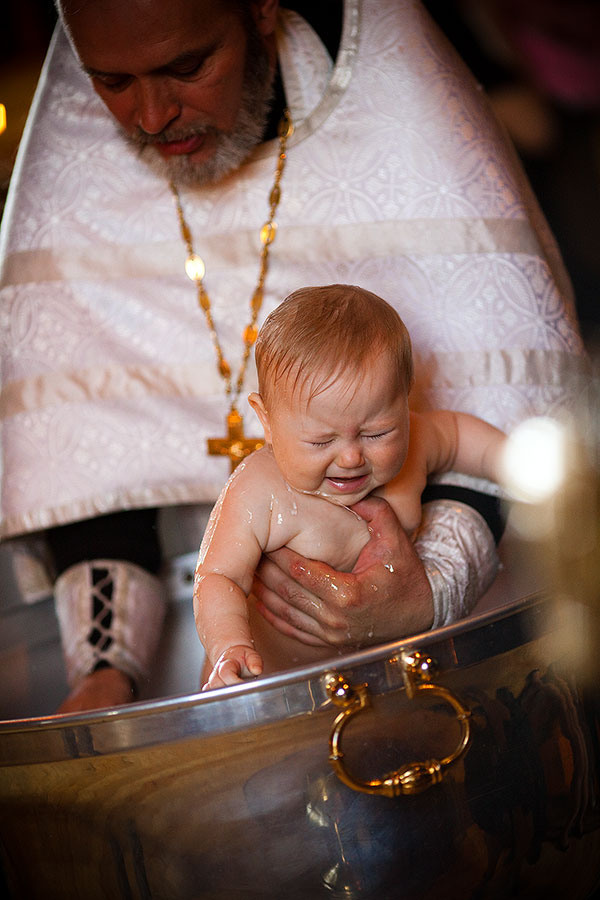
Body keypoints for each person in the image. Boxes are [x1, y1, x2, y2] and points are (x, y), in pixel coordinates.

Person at [0, 0, 584, 713]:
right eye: (112, 83)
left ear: (260, 11)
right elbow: (87, 470)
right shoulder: (261, 486)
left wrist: (427, 587)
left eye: (187, 67)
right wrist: (110, 672)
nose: (150, 117)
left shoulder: (401, 136)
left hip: (444, 655)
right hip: (246, 681)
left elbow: (489, 423)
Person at [196, 284, 507, 689]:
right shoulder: (259, 490)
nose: (350, 458)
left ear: (402, 404)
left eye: (377, 433)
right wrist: (228, 647)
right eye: (321, 441)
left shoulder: (413, 448)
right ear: (267, 420)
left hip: (390, 677)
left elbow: (460, 436)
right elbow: (217, 578)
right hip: (274, 687)